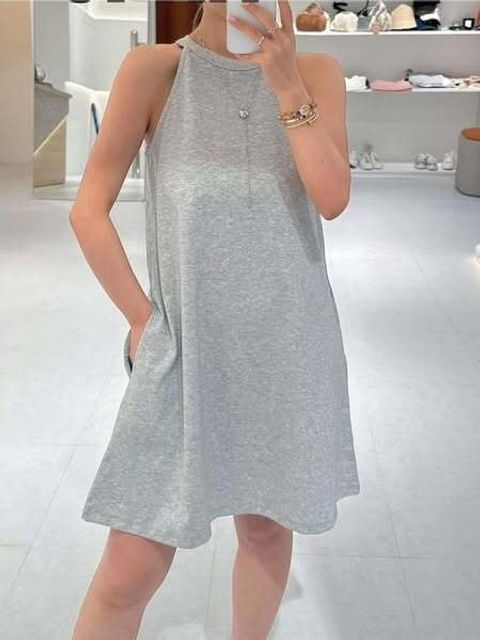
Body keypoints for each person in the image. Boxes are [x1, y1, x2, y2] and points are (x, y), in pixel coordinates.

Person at [69, 0, 360, 638]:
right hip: (185, 349)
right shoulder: (155, 71)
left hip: (288, 347)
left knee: (264, 531)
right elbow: (88, 209)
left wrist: (286, 83)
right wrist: (141, 319)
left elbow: (332, 197)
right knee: (128, 572)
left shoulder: (318, 73)